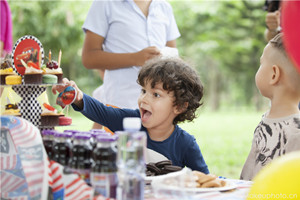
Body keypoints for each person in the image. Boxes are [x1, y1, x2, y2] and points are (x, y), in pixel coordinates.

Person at [52, 58, 209, 173]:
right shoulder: (129, 121)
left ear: (179, 106)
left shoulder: (186, 144)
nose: (144, 99)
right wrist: (78, 96)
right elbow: (101, 111)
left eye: (156, 94)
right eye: (143, 91)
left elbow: (206, 181)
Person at [81, 0, 180, 129]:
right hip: (120, 105)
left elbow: (173, 55)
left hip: (159, 112)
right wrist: (135, 58)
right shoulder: (105, 4)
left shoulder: (164, 7)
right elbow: (89, 57)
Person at [240, 33, 300, 180]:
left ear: (274, 74)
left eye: (261, 64)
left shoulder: (296, 134)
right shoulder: (267, 121)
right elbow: (248, 175)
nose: (258, 69)